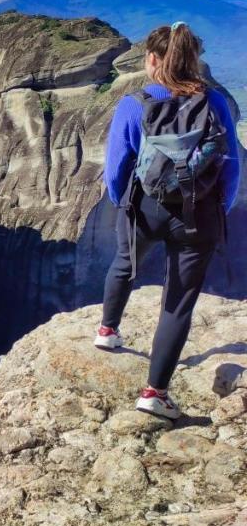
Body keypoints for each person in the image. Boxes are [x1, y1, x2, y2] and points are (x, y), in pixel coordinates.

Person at [96, 21, 240, 419]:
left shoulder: (135, 103)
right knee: (177, 305)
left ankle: (108, 331)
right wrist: (216, 210)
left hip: (146, 207)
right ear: (193, 59)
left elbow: (116, 168)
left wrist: (122, 203)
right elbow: (231, 169)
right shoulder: (215, 102)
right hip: (199, 215)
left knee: (126, 262)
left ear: (154, 59)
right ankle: (154, 393)